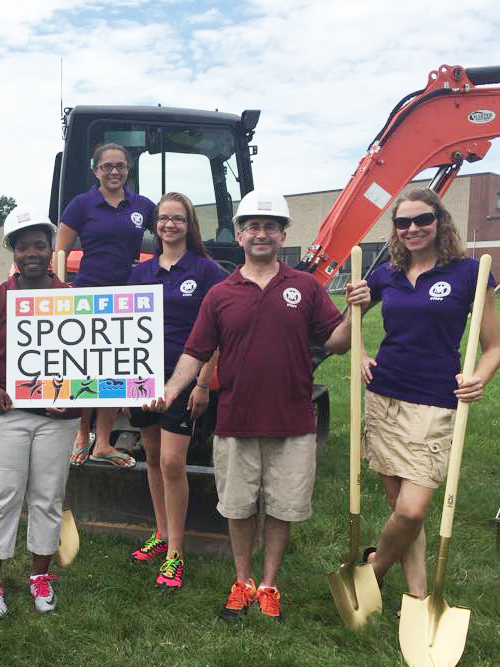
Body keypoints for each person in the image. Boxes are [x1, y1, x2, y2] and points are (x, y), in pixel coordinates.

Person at [147, 188, 366, 621]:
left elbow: (336, 344)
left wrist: (353, 312)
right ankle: (242, 580)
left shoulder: (304, 287)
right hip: (236, 421)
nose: (260, 234)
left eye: (270, 227)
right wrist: (172, 389)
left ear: (282, 236)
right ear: (241, 235)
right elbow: (195, 352)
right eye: (252, 227)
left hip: (292, 420)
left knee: (282, 508)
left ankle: (269, 585)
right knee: (238, 506)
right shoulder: (221, 293)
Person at [359, 188, 500, 600]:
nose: (412, 229)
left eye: (422, 220)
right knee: (400, 512)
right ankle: (418, 597)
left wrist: (479, 376)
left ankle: (373, 570)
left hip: (436, 401)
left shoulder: (470, 273)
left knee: (412, 509)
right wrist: (360, 356)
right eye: (403, 223)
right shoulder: (385, 274)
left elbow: (494, 347)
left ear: (440, 221)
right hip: (384, 398)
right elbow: (347, 325)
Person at [0, 205, 81, 622]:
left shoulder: (72, 299)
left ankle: (39, 576)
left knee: (48, 498)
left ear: (52, 248)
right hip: (8, 413)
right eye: (23, 246)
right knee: (1, 497)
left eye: (39, 245)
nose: (31, 252)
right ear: (12, 251)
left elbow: (87, 360)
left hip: (57, 418)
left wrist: (75, 399)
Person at [127, 192, 226, 589]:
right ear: (155, 225)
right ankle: (161, 532)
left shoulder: (206, 272)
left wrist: (203, 382)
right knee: (151, 456)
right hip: (142, 380)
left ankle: (175, 552)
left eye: (178, 219)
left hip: (183, 380)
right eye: (163, 218)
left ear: (189, 225)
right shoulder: (140, 274)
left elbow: (218, 332)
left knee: (172, 462)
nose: (170, 225)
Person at [56, 143, 156, 468]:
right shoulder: (81, 204)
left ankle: (104, 442)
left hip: (127, 298)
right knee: (87, 367)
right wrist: (59, 292)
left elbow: (170, 237)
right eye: (107, 166)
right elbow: (60, 249)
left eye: (120, 166)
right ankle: (82, 435)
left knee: (115, 370)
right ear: (95, 169)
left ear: (128, 170)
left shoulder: (142, 205)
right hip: (87, 295)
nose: (114, 172)